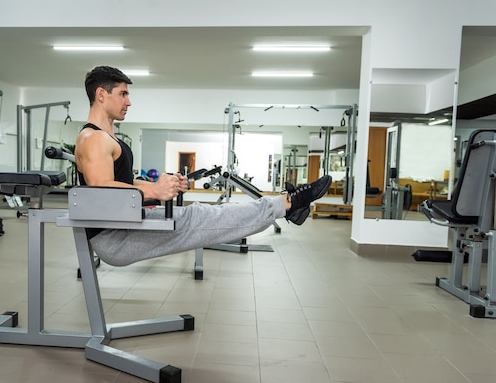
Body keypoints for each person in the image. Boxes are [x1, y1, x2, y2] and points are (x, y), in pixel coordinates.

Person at [74, 66, 331, 266]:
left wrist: (162, 185)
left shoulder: (106, 137)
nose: (128, 102)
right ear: (101, 94)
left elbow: (124, 183)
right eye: (122, 94)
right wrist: (154, 192)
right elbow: (101, 190)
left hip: (123, 224)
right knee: (198, 219)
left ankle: (286, 205)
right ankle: (287, 204)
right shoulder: (93, 138)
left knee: (198, 215)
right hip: (114, 238)